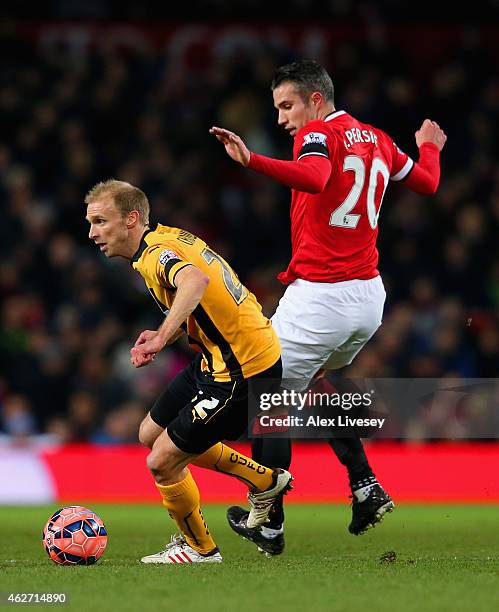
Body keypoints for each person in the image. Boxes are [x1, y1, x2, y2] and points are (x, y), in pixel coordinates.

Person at [210, 59, 447, 555]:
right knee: (314, 383)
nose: (282, 119)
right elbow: (426, 182)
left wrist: (252, 160)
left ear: (316, 100)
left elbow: (315, 178)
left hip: (321, 296)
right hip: (367, 297)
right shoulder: (377, 138)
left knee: (266, 402)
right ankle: (365, 485)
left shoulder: (318, 134)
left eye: (287, 105)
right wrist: (430, 147)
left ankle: (267, 523)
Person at [84, 179, 293, 564]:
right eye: (91, 222)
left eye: (100, 221)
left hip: (239, 366)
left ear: (131, 219)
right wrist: (174, 328)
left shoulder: (155, 255)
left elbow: (196, 281)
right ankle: (264, 480)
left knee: (161, 462)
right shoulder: (167, 238)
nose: (93, 232)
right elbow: (206, 297)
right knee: (150, 433)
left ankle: (202, 549)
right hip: (221, 354)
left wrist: (163, 337)